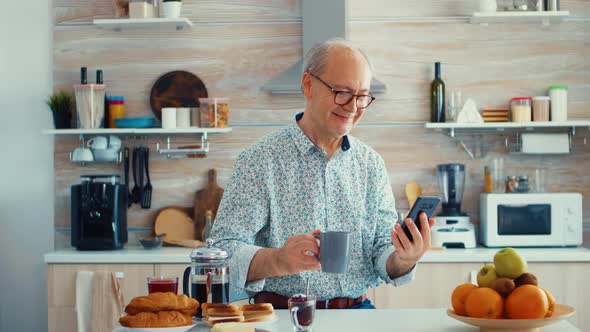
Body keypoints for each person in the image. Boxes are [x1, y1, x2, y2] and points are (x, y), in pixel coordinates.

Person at [210, 38, 435, 309]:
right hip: (283, 315)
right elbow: (219, 255)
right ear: (308, 85)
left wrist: (405, 257)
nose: (353, 107)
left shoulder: (371, 165)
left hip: (357, 314)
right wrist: (279, 259)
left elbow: (381, 253)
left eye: (362, 96)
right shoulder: (260, 160)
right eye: (342, 92)